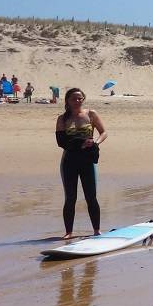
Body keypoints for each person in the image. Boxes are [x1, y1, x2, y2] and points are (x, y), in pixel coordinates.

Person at [54, 88, 108, 239]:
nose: (77, 101)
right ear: (68, 101)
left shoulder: (91, 114)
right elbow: (61, 142)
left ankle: (96, 230)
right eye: (74, 99)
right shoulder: (62, 119)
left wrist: (95, 143)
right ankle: (68, 232)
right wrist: (80, 144)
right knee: (70, 198)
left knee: (91, 197)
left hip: (87, 161)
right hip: (69, 162)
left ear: (83, 99)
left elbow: (104, 132)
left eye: (80, 98)